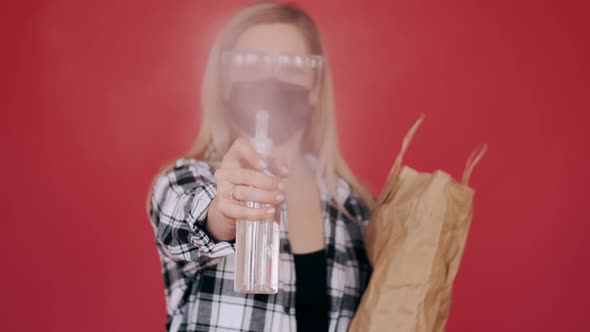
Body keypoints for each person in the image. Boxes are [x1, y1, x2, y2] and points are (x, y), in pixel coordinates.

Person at [147, 2, 376, 331]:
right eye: (251, 62)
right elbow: (182, 222)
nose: (272, 79)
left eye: (293, 65)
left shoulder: (355, 209)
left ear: (315, 84)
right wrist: (223, 212)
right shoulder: (185, 180)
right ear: (225, 80)